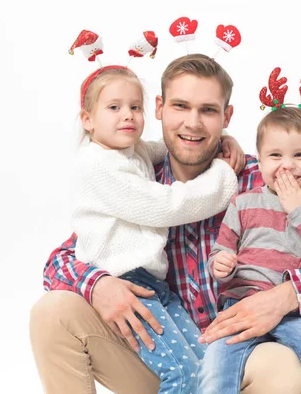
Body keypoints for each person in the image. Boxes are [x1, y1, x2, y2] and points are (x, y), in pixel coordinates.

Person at [30, 54, 301, 394]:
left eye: (207, 110)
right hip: (165, 356)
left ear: (227, 116)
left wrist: (285, 297)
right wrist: (99, 285)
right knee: (54, 312)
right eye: (180, 106)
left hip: (238, 358)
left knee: (280, 367)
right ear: (160, 108)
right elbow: (63, 259)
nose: (193, 123)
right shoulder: (140, 183)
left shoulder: (263, 181)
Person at [70, 64, 244, 393]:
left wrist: (221, 140)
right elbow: (166, 206)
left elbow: (165, 147)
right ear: (87, 120)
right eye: (114, 107)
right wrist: (222, 176)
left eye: (135, 107)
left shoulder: (127, 153)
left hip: (155, 286)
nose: (128, 116)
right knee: (183, 375)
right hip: (128, 284)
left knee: (206, 367)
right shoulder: (98, 166)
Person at [198, 106, 301, 394]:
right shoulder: (242, 203)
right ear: (260, 160)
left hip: (297, 315)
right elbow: (220, 252)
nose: (286, 165)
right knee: (214, 373)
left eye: (299, 155)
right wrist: (221, 264)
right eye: (276, 155)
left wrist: (300, 211)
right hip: (238, 308)